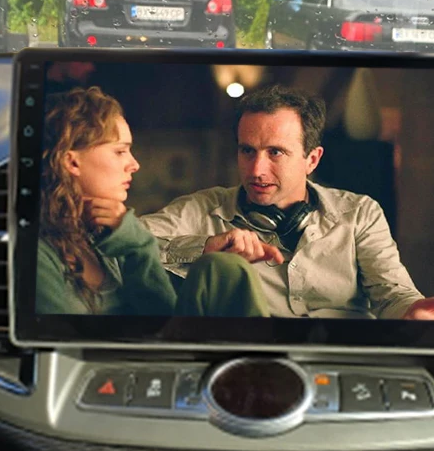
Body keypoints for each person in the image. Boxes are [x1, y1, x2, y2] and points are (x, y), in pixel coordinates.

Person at [141, 84, 434, 320]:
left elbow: (392, 293)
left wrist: (413, 311)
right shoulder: (202, 209)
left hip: (341, 356)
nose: (256, 169)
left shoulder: (359, 213)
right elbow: (129, 244)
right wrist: (204, 247)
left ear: (312, 159)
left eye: (275, 152)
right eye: (247, 151)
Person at [37, 86, 267, 317]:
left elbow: (161, 321)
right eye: (120, 152)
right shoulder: (38, 252)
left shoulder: (106, 235)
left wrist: (134, 243)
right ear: (72, 162)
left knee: (224, 268)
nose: (134, 165)